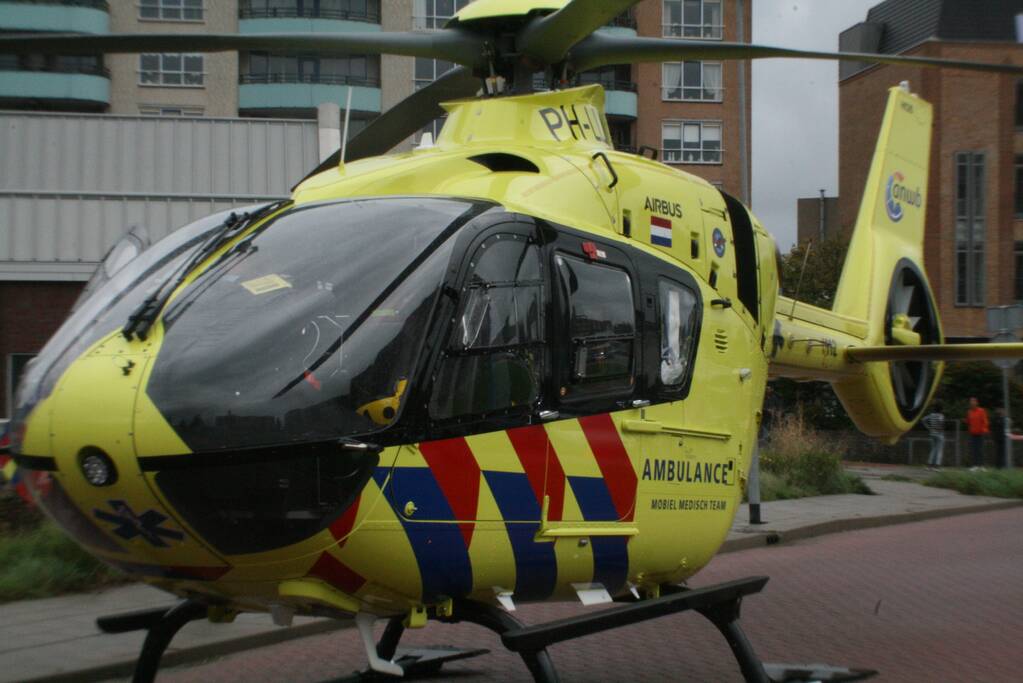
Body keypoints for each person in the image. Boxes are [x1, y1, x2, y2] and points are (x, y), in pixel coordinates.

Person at [965, 397, 989, 470]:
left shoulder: (981, 411)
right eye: (971, 402)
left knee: (981, 450)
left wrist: (984, 430)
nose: (972, 403)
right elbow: (968, 422)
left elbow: (985, 421)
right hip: (972, 433)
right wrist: (968, 427)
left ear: (977, 403)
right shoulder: (969, 412)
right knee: (973, 450)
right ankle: (974, 465)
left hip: (981, 433)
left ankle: (982, 466)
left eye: (973, 401)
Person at [921, 402, 945, 469]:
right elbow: (941, 424)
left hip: (932, 433)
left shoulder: (931, 415)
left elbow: (923, 420)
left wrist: (929, 428)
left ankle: (929, 465)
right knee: (939, 450)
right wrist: (940, 429)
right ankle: (937, 466)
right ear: (941, 409)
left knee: (933, 450)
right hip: (939, 434)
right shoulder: (941, 415)